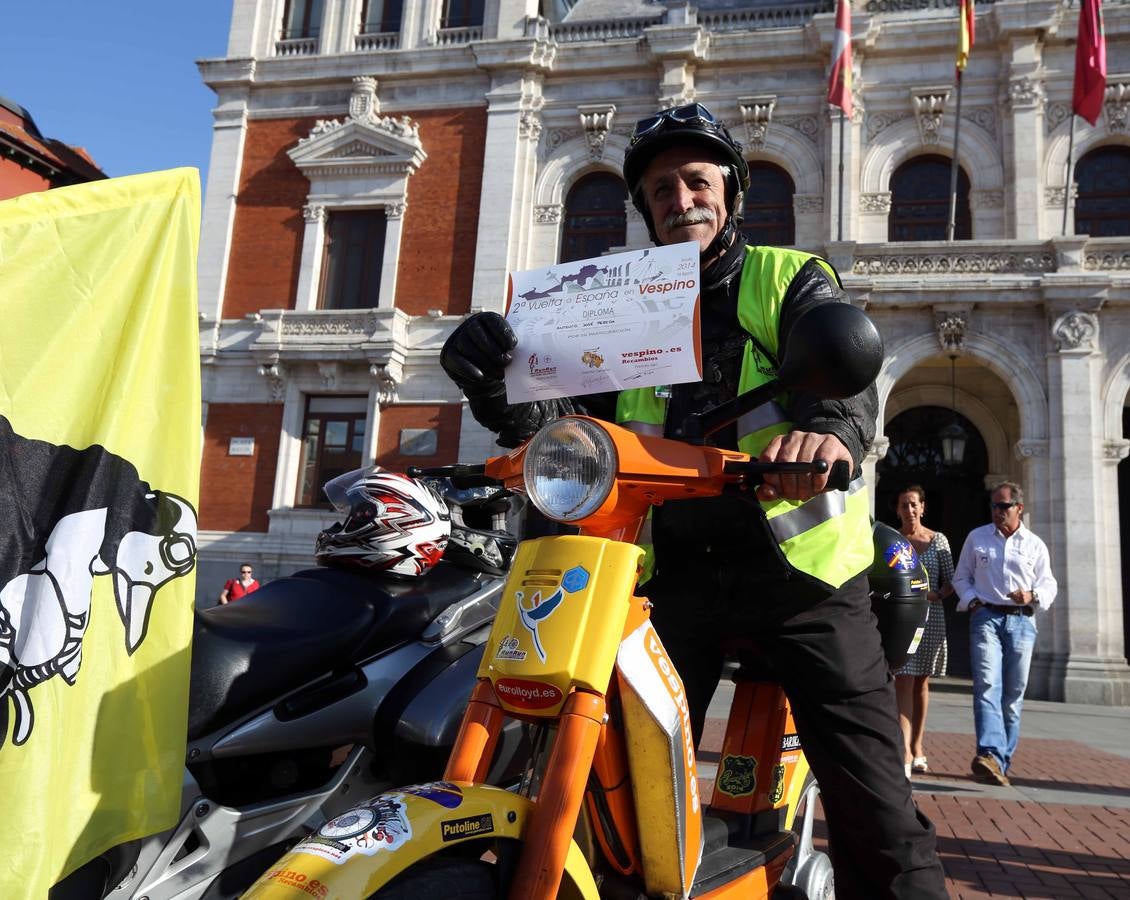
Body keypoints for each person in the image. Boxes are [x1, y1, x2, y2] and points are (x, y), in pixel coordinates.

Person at [440, 104, 946, 899]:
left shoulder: (790, 276)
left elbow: (843, 374)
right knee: (609, 770)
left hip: (800, 576)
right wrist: (497, 387)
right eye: (661, 189)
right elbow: (564, 423)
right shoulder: (614, 298)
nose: (682, 199)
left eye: (697, 181)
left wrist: (828, 436)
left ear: (730, 192)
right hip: (670, 570)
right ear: (645, 208)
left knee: (872, 800)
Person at [952, 481, 1057, 786]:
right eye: (994, 506)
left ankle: (1000, 761)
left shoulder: (1034, 544)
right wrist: (973, 602)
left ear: (1018, 509)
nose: (997, 512)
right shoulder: (977, 538)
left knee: (1012, 697)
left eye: (1003, 506)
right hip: (986, 618)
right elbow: (962, 577)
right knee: (987, 686)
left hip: (1022, 622)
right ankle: (988, 753)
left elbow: (1049, 583)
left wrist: (1032, 594)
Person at [892, 485, 954, 778]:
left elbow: (952, 580)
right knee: (902, 679)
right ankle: (904, 750)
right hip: (903, 618)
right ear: (897, 510)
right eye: (904, 505)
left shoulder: (937, 540)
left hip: (932, 618)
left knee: (921, 683)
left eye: (914, 504)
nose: (910, 510)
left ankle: (918, 746)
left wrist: (937, 595)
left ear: (922, 507)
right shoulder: (893, 541)